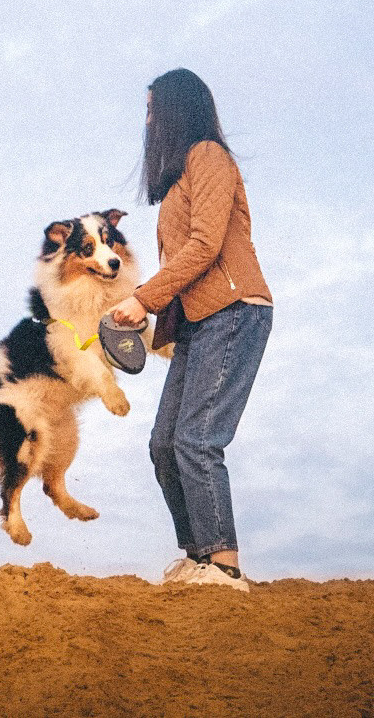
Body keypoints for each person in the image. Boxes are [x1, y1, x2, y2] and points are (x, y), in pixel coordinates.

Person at [111, 69, 273, 592]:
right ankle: (199, 555)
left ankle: (225, 565)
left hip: (234, 310)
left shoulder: (208, 155)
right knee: (165, 443)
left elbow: (204, 246)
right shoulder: (179, 179)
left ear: (178, 110)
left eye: (154, 109)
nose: (149, 120)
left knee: (198, 439)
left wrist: (143, 299)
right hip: (200, 322)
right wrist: (143, 308)